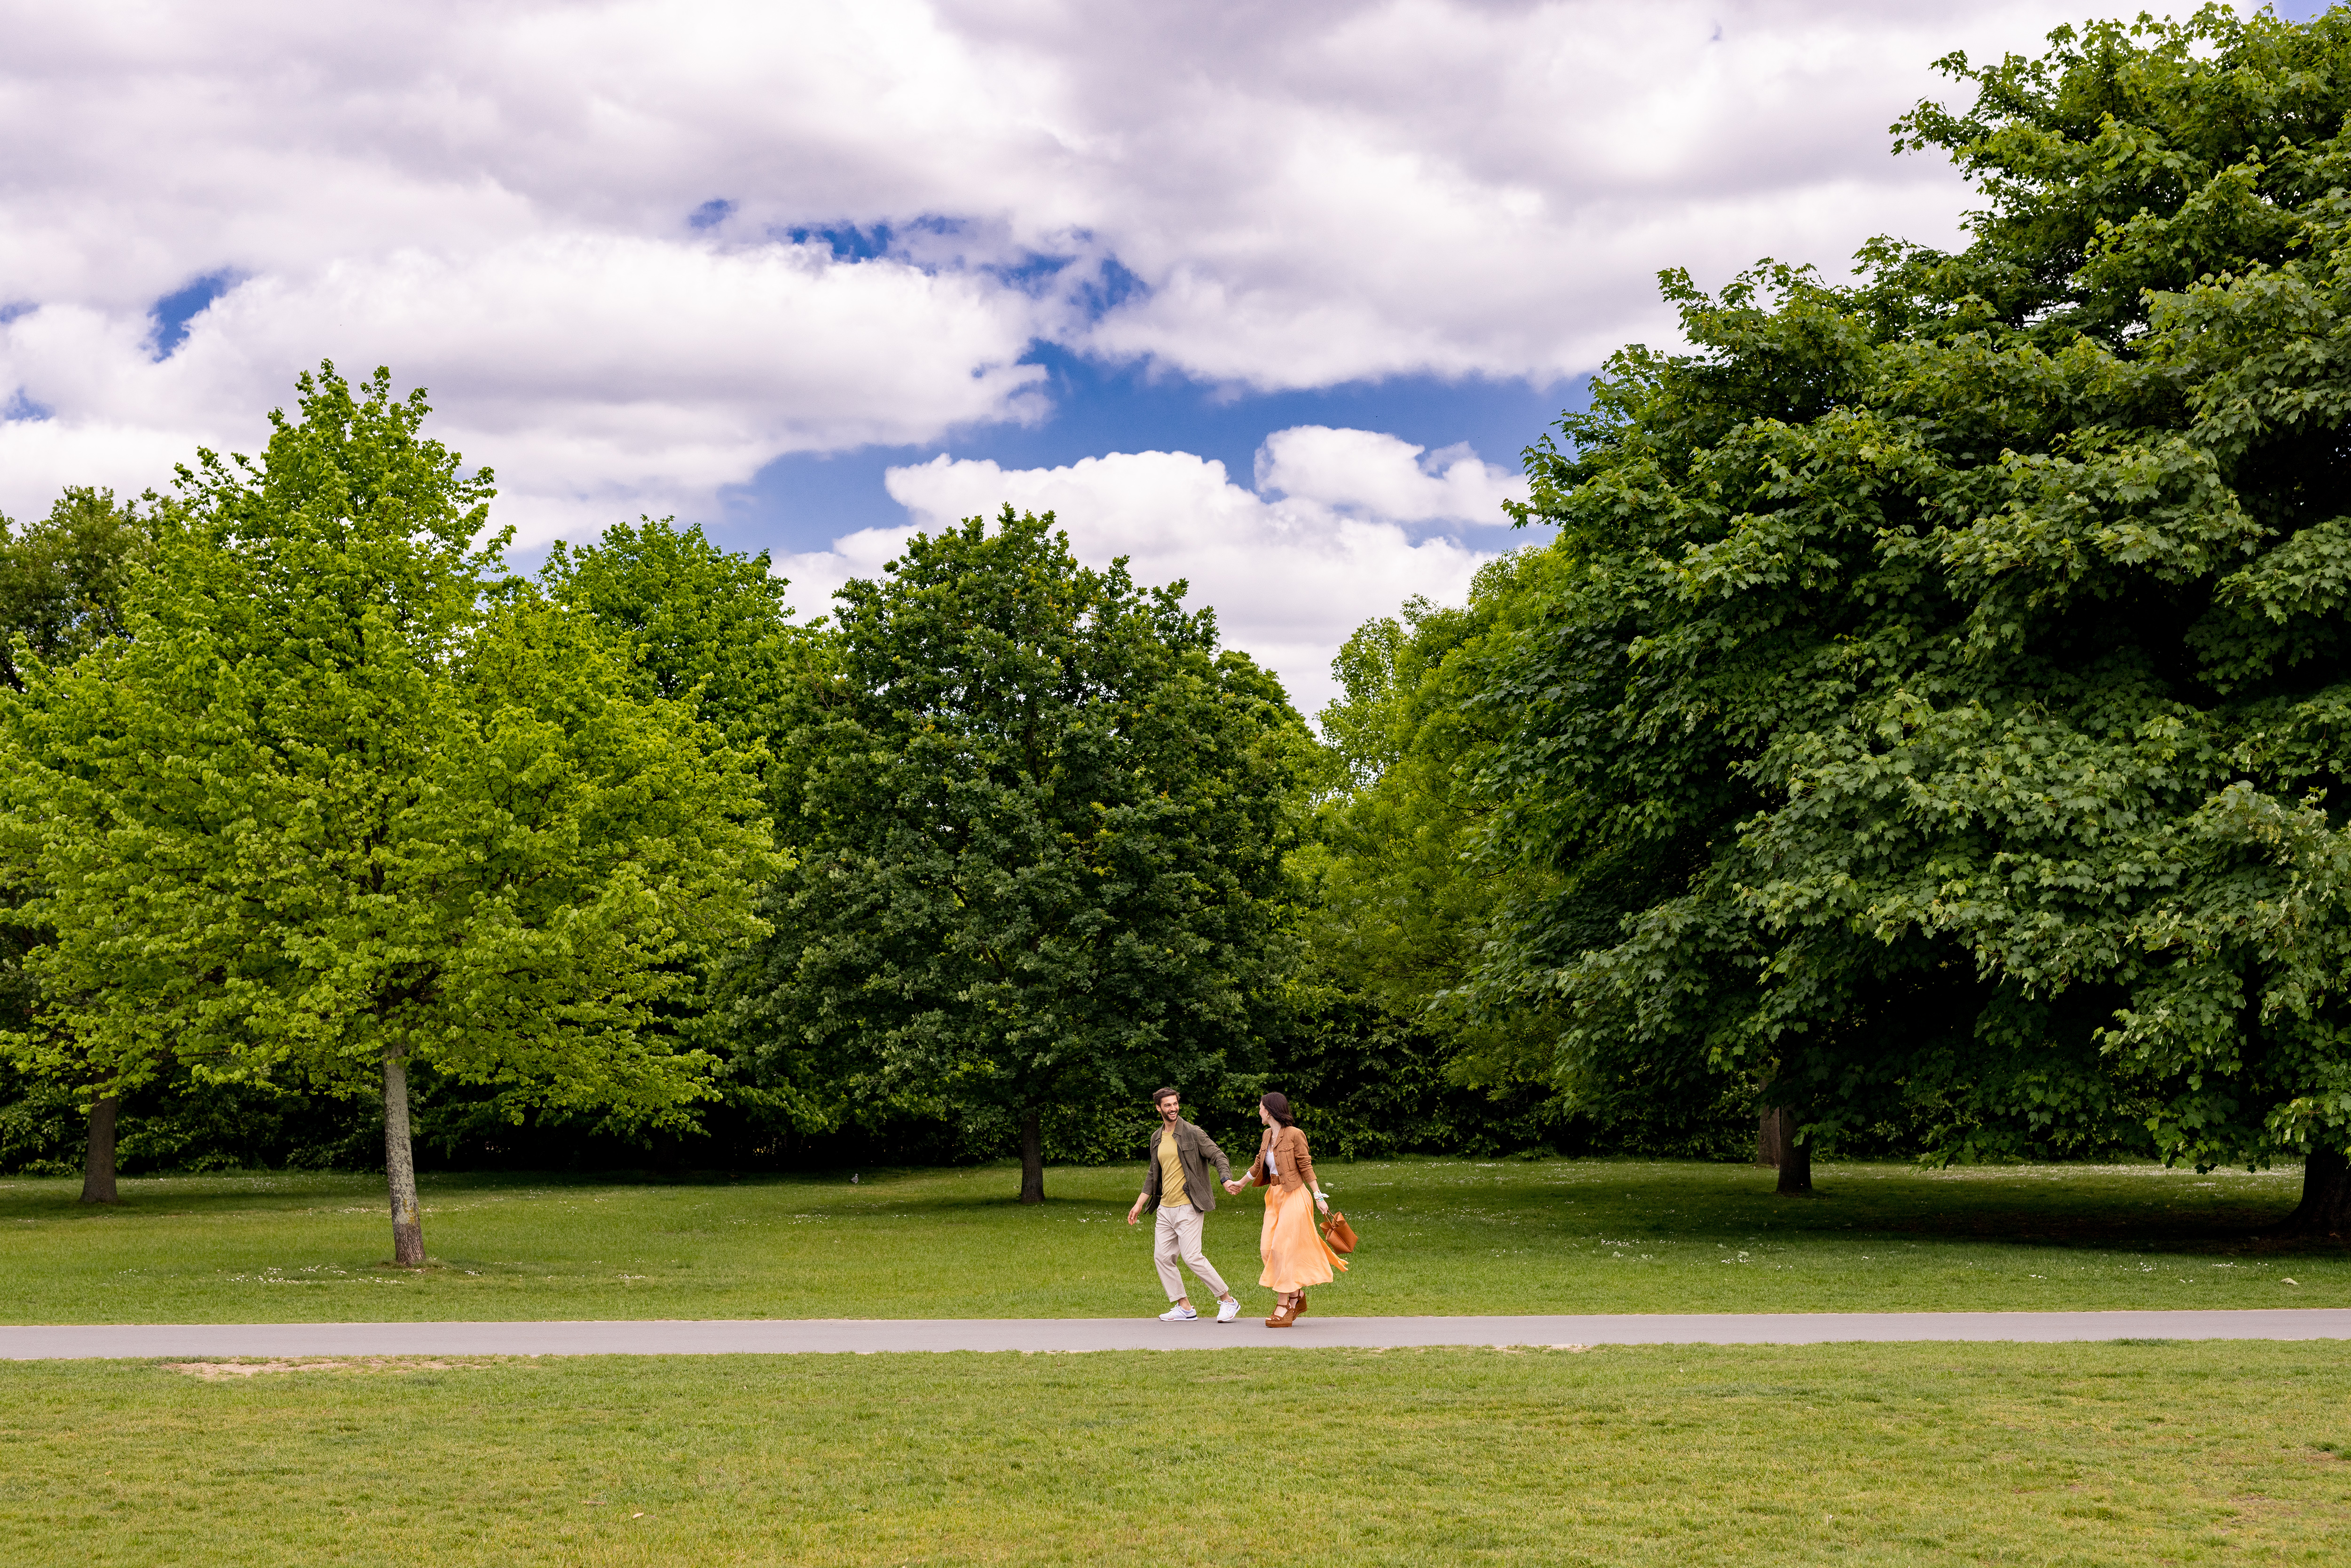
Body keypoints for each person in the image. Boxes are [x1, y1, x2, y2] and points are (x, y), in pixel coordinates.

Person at [1126, 1087, 1242, 1323]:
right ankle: (1185, 1307)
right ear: (1158, 1108)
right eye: (1167, 1105)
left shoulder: (1192, 1133)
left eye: (1175, 1104)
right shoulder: (1157, 1138)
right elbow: (1153, 1173)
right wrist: (1139, 1204)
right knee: (1162, 1257)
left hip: (1189, 1205)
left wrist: (1226, 1178)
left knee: (1192, 1256)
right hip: (1165, 1209)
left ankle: (1228, 1301)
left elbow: (1218, 1156)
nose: (1173, 1109)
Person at [1227, 1090, 1341, 1327]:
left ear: (1269, 1110)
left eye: (1260, 1107)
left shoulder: (1295, 1135)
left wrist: (1319, 1196)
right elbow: (1260, 1164)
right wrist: (1241, 1183)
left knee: (1282, 1249)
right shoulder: (1267, 1134)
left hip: (1295, 1195)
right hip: (1275, 1196)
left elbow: (1306, 1166)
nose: (1258, 1111)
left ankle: (1284, 1305)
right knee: (1268, 1249)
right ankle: (1297, 1295)